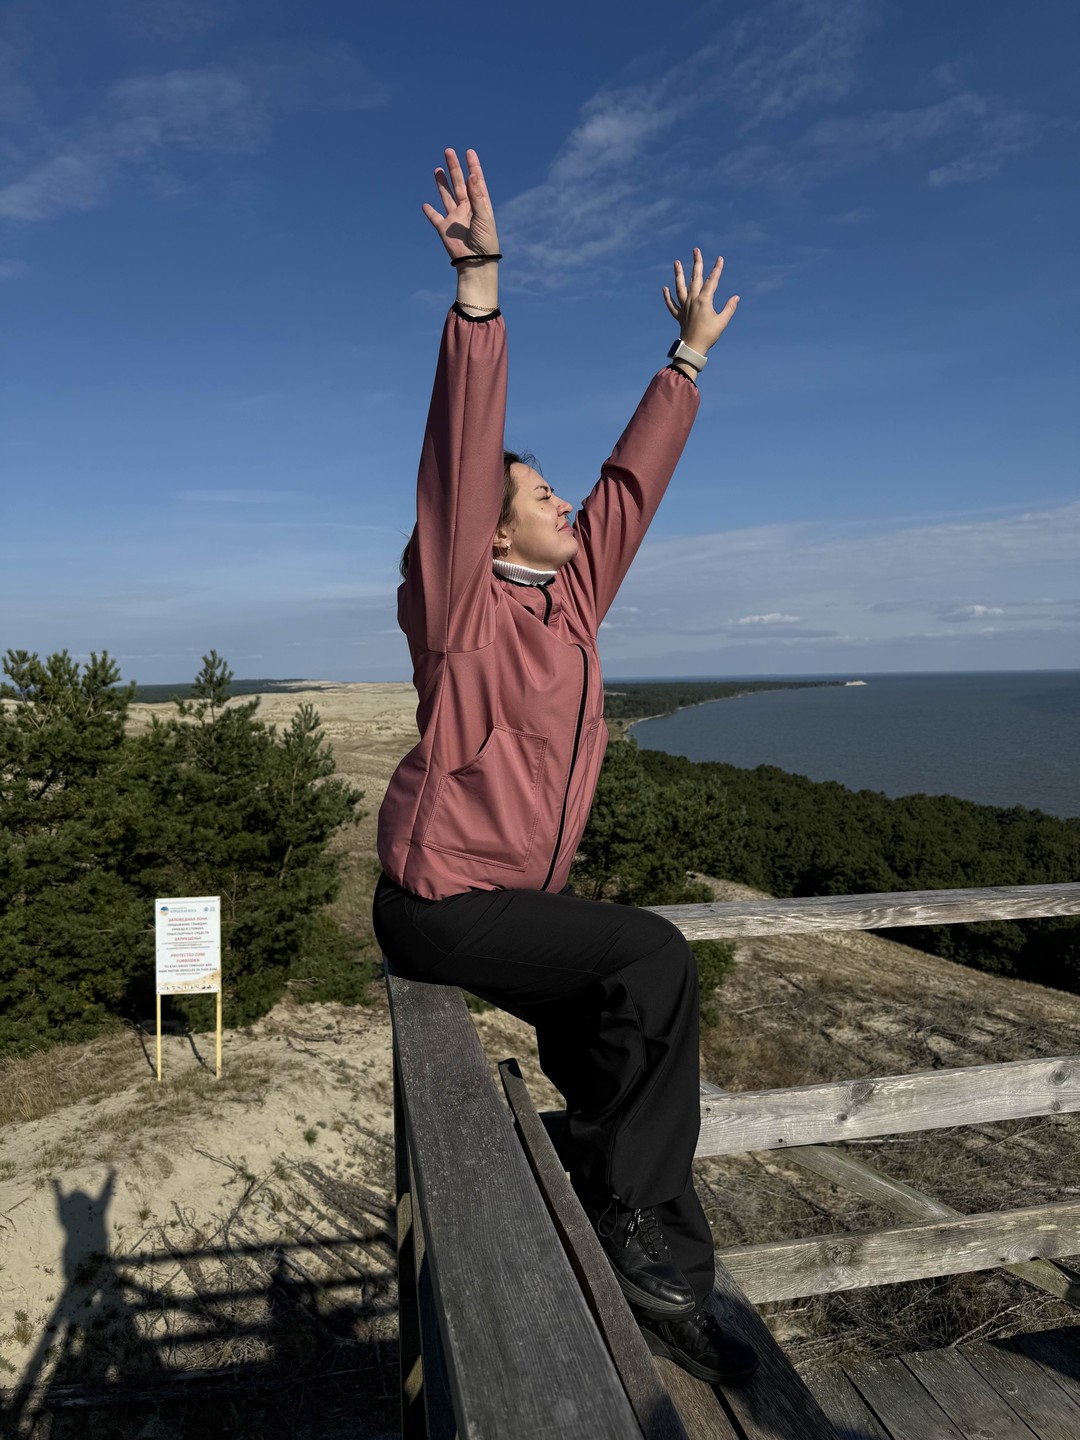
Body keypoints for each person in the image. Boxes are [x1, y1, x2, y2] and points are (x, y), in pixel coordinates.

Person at [373, 147, 757, 1385]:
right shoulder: (458, 605)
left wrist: (687, 361)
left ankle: (638, 1238)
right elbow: (458, 453)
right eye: (541, 495)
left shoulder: (572, 605)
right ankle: (652, 1246)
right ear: (490, 526)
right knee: (650, 956)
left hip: (512, 904)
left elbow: (631, 487)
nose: (568, 507)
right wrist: (480, 289)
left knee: (615, 1036)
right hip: (441, 905)